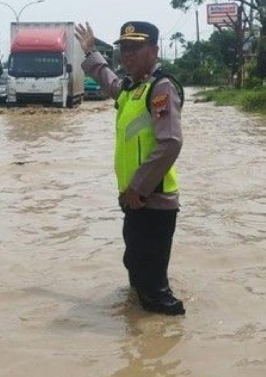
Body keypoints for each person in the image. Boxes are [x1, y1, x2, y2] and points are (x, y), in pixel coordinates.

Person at [75, 21, 186, 316]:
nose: (128, 54)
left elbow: (170, 143)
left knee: (153, 288)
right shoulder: (132, 88)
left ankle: (167, 335)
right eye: (124, 48)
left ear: (154, 50)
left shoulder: (160, 88)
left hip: (153, 200)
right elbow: (110, 82)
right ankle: (142, 332)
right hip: (134, 200)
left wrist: (138, 187)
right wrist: (91, 52)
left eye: (135, 47)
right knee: (135, 269)